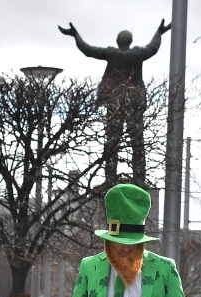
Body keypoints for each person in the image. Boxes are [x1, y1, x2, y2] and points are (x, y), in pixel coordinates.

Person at [59, 19, 171, 186]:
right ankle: (139, 179)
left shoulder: (112, 54)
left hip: (115, 102)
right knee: (137, 142)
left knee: (112, 142)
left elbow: (87, 50)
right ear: (130, 41)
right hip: (133, 101)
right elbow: (153, 48)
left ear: (118, 42)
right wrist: (159, 32)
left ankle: (110, 179)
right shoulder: (137, 54)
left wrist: (76, 35)